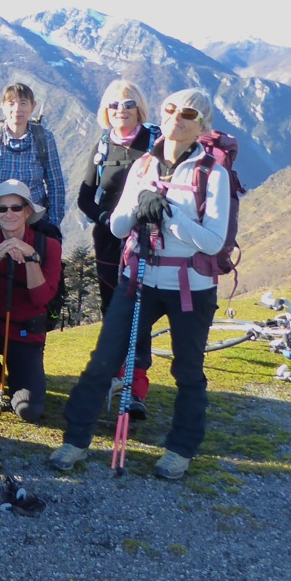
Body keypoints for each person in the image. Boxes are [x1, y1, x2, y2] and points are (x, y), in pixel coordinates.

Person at [51, 89, 229, 481]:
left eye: (188, 114)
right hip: (139, 279)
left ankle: (180, 450)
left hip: (190, 285)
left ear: (202, 125)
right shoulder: (143, 166)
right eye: (170, 109)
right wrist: (139, 202)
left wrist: (168, 215)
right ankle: (75, 441)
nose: (176, 118)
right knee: (102, 361)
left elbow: (214, 242)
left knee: (188, 371)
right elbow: (118, 226)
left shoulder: (212, 173)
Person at [77, 80, 161, 417]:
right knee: (113, 310)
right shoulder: (103, 145)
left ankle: (136, 387)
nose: (120, 110)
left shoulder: (156, 142)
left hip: (146, 239)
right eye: (113, 105)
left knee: (140, 309)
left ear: (139, 108)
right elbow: (85, 196)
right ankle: (113, 375)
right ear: (105, 111)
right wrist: (105, 219)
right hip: (109, 243)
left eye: (128, 104)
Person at [0, 179, 62, 423]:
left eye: (16, 207)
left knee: (28, 410)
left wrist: (31, 258)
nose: (9, 214)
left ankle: (15, 376)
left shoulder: (49, 247)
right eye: (2, 208)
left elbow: (41, 298)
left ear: (27, 212)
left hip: (26, 334)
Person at [0, 83, 66, 239]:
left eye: (23, 103)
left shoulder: (44, 138)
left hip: (36, 226)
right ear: (2, 106)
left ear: (33, 106)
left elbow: (56, 185)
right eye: (11, 103)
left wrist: (53, 226)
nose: (17, 109)